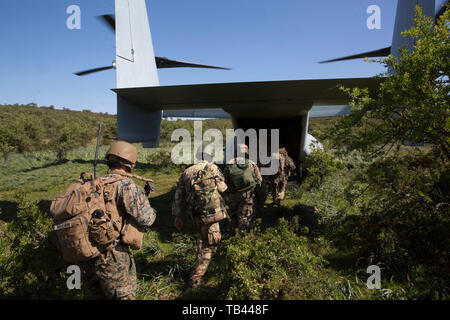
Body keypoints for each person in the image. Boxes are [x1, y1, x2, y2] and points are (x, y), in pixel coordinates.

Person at [83, 141, 156, 300]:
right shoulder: (127, 186)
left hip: (88, 255)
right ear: (130, 163)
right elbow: (147, 218)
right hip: (115, 256)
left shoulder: (93, 184)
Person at [172, 145, 228, 287]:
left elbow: (178, 195)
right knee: (211, 244)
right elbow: (222, 188)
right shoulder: (213, 168)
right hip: (211, 214)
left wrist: (177, 216)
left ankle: (199, 266)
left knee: (202, 240)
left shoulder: (187, 171)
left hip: (195, 214)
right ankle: (196, 278)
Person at [224, 143, 262, 232]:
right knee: (245, 216)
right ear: (247, 152)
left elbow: (225, 180)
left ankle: (232, 234)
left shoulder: (229, 163)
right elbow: (259, 180)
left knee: (234, 214)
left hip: (232, 195)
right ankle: (244, 238)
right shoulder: (251, 163)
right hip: (247, 195)